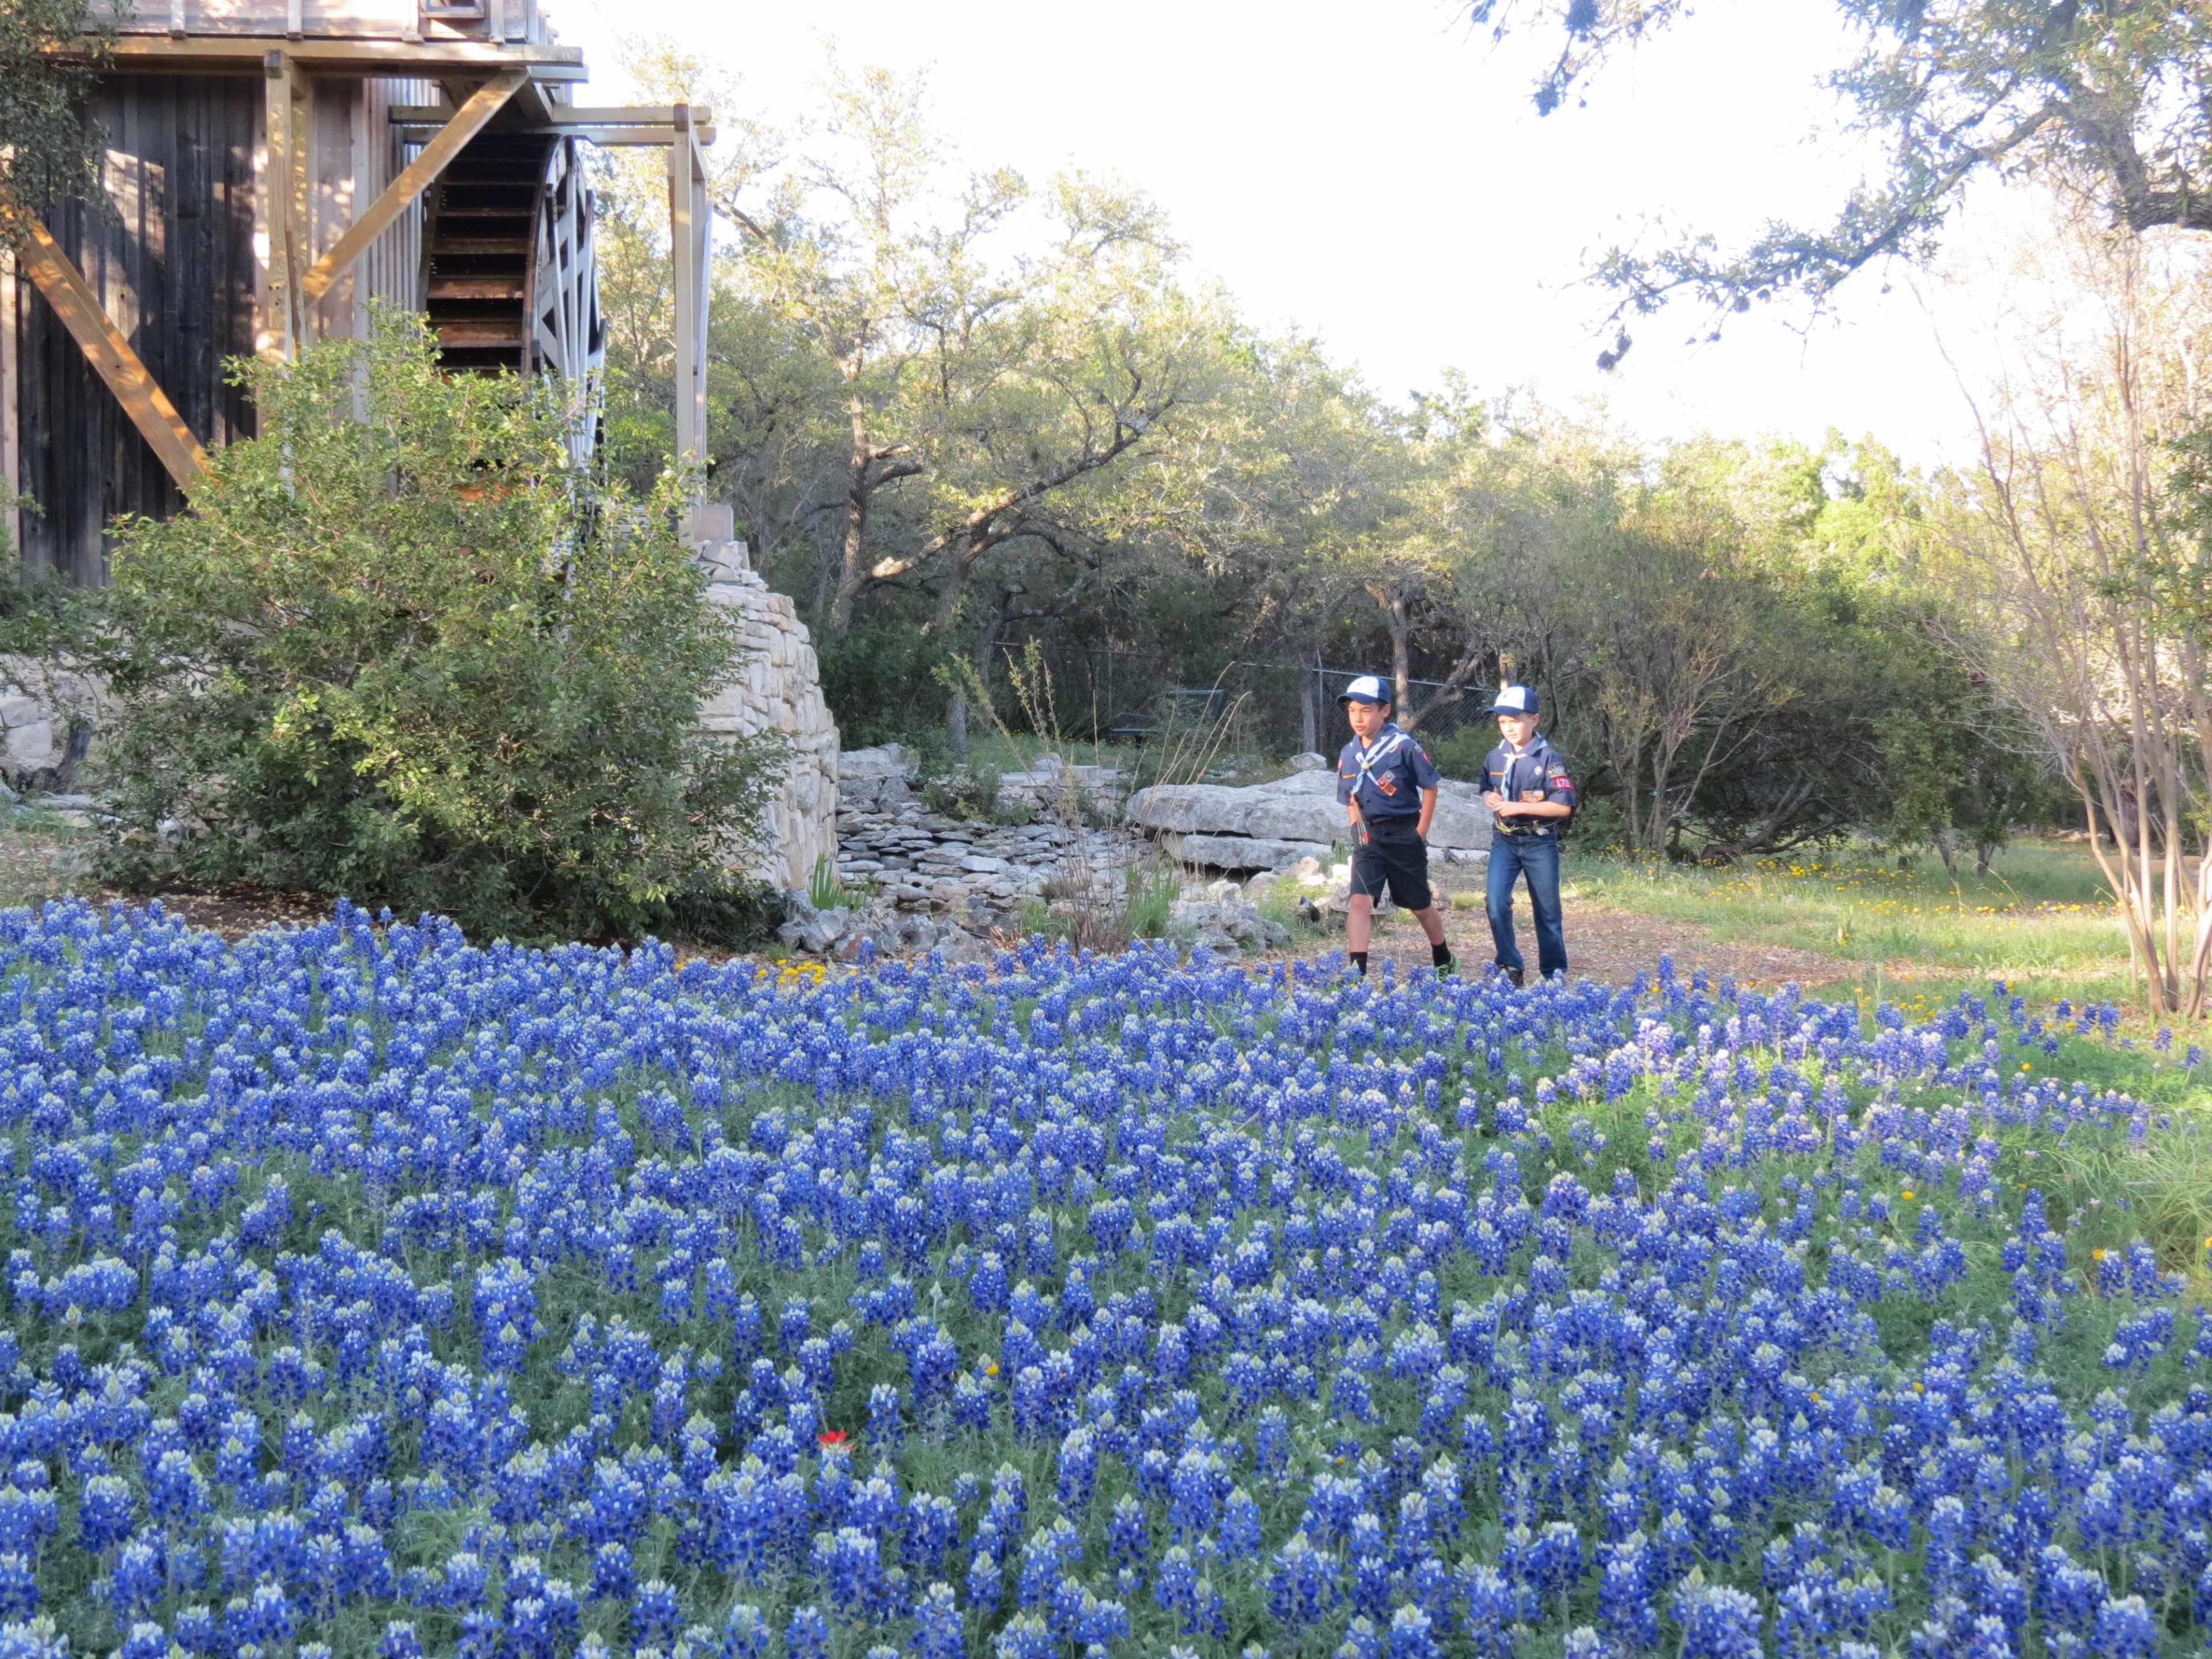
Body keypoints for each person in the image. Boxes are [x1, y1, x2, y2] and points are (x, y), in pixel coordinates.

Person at [1333, 675, 1454, 978]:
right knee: (1359, 901)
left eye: (1365, 710)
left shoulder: (1403, 746)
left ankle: (1443, 955)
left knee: (1419, 904)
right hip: (1368, 836)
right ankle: (1355, 973)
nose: (1357, 718)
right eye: (1352, 711)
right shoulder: (1348, 753)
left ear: (1384, 711)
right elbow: (1350, 796)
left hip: (1404, 834)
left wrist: (1420, 832)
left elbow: (1430, 786)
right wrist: (1355, 828)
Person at [1480, 684, 1575, 984]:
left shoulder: (1548, 758)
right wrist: (1491, 800)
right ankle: (1510, 966)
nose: (1508, 728)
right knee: (1495, 903)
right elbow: (1485, 788)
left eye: (1515, 721)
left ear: (1533, 720)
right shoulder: (1495, 757)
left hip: (1539, 840)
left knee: (1547, 912)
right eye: (1502, 722)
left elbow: (1563, 809)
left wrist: (1516, 806)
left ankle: (1554, 975)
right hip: (1504, 840)